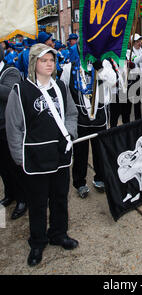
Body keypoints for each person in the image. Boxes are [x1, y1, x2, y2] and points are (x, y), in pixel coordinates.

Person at [5, 43, 79, 267]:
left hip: (60, 155)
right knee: (37, 203)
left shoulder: (61, 87)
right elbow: (13, 127)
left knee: (59, 198)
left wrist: (70, 134)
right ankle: (37, 241)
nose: (49, 64)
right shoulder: (21, 90)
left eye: (52, 60)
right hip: (34, 158)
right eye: (44, 60)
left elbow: (72, 113)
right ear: (33, 63)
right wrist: (19, 156)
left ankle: (58, 233)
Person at [60, 45, 116, 198]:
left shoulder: (104, 63)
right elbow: (62, 89)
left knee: (100, 151)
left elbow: (113, 81)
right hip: (80, 119)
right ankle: (80, 183)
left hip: (99, 118)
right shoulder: (69, 67)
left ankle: (100, 178)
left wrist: (101, 68)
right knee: (80, 153)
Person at [0, 46, 27, 220]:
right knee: (2, 166)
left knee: (14, 165)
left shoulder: (10, 71)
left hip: (6, 127)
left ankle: (23, 198)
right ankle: (9, 194)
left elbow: (9, 93)